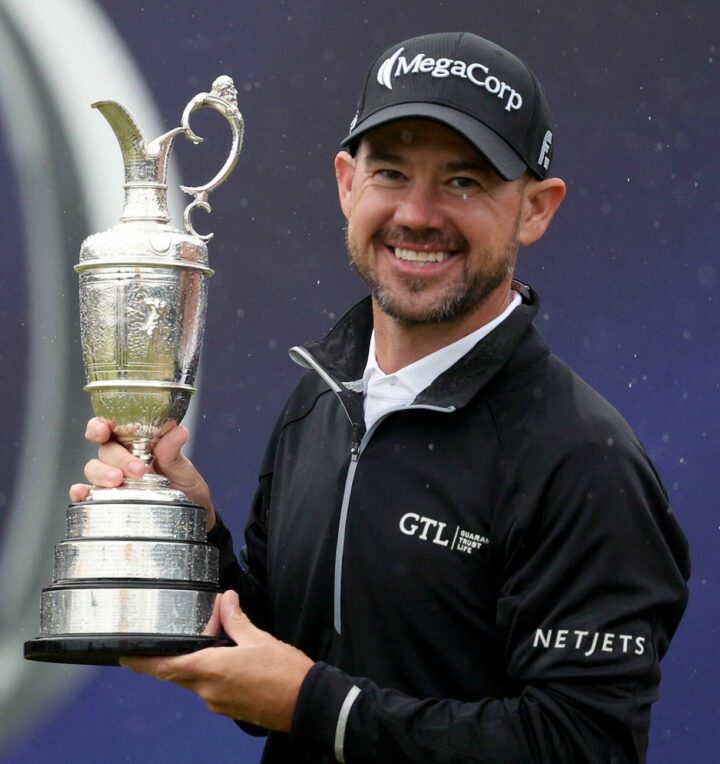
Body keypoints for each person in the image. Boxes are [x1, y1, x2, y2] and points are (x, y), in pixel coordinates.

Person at [71, 32, 690, 763]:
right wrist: (191, 533)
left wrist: (318, 707)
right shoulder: (318, 402)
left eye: (463, 181)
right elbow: (274, 669)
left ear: (536, 208)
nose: (418, 214)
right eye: (391, 173)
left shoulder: (586, 462)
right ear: (346, 183)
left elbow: (584, 745)